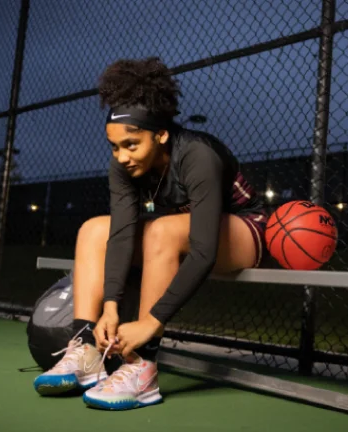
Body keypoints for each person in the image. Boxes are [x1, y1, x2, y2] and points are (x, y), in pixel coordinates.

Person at [33, 57, 268, 410]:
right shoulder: (123, 167)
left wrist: (151, 324)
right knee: (94, 230)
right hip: (179, 232)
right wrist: (110, 307)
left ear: (160, 134)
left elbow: (203, 250)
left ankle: (141, 366)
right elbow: (122, 233)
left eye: (131, 144)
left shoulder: (197, 154)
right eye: (114, 146)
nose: (122, 156)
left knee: (162, 230)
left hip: (243, 231)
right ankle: (85, 350)